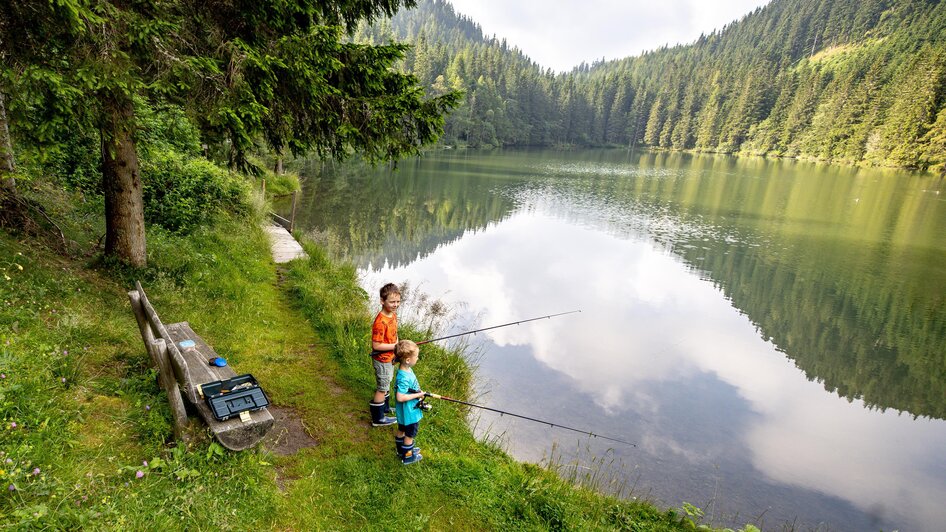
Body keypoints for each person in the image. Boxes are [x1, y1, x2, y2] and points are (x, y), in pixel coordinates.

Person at [368, 283, 400, 426]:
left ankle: (385, 408)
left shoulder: (392, 315)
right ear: (382, 301)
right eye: (392, 302)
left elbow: (394, 334)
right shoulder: (381, 322)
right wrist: (395, 346)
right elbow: (376, 345)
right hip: (382, 360)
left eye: (398, 301)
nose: (395, 305)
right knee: (382, 387)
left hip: (390, 358)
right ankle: (378, 418)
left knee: (387, 382)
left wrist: (397, 347)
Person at [393, 339, 425, 465]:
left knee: (401, 429)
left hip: (403, 413)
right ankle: (407, 456)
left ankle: (401, 450)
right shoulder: (404, 376)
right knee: (409, 435)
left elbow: (408, 389)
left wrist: (418, 391)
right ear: (407, 360)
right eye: (416, 356)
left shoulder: (405, 370)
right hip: (410, 413)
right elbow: (400, 397)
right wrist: (419, 395)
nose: (417, 358)